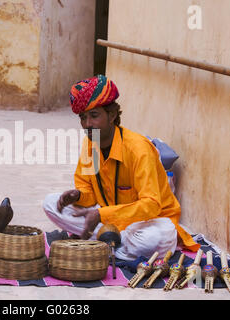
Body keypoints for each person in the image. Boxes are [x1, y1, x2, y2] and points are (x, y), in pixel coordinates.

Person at [43, 75, 200, 260]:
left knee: (156, 238)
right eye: (83, 118)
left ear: (112, 115)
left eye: (94, 116)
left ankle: (105, 241)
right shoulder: (90, 145)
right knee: (51, 203)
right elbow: (89, 191)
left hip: (147, 222)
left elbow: (151, 205)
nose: (87, 125)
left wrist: (101, 215)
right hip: (109, 220)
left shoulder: (139, 149)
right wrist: (79, 195)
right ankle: (112, 242)